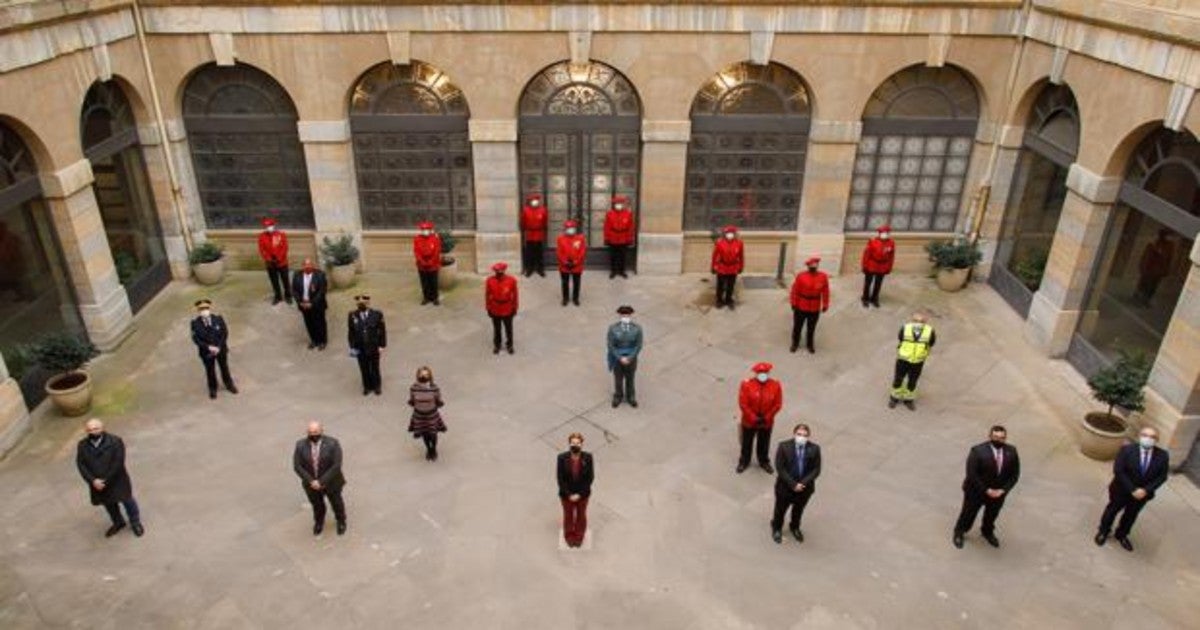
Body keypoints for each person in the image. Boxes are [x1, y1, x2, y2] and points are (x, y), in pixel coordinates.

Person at [1095, 426, 1169, 551]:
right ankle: (1103, 531)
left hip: (1143, 495)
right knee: (1112, 510)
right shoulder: (1126, 450)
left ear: (1157, 440)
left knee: (1131, 515)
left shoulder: (1163, 455)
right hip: (1121, 490)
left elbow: (1162, 477)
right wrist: (1133, 489)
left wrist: (1145, 490)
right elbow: (1118, 471)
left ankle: (1122, 535)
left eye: (1152, 437)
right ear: (1140, 436)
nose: (1148, 438)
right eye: (1145, 435)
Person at [953, 425, 1020, 549]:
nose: (998, 440)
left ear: (1005, 438)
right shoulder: (977, 451)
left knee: (991, 515)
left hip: (998, 494)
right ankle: (959, 532)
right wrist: (986, 490)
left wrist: (1003, 490)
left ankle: (987, 532)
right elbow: (971, 474)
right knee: (968, 514)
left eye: (1001, 438)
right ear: (990, 436)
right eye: (995, 437)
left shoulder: (1012, 451)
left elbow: (1015, 475)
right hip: (976, 492)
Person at [76, 418, 143, 538]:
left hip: (117, 480)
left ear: (102, 428)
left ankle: (135, 522)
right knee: (108, 503)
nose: (93, 432)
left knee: (127, 500)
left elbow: (118, 462)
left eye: (96, 428)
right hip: (97, 482)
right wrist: (93, 481)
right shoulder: (82, 445)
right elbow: (81, 465)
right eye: (89, 429)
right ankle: (118, 522)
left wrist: (105, 480)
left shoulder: (115, 441)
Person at [292, 421, 347, 536]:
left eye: (316, 432)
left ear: (322, 431)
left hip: (332, 483)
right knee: (317, 506)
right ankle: (319, 522)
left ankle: (341, 521)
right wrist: (311, 481)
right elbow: (297, 466)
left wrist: (321, 481)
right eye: (311, 432)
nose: (313, 435)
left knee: (337, 503)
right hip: (311, 485)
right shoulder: (300, 445)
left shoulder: (333, 443)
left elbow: (336, 465)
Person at [771, 423, 821, 544]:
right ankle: (777, 528)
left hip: (804, 489)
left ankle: (795, 527)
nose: (801, 437)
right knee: (780, 510)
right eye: (799, 434)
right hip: (785, 487)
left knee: (798, 510)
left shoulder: (814, 449)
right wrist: (793, 484)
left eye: (804, 435)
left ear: (808, 436)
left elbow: (816, 469)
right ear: (794, 434)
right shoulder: (784, 447)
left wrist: (802, 483)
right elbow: (780, 468)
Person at [737, 362, 782, 474]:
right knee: (747, 443)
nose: (762, 375)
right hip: (749, 421)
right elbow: (743, 404)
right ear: (756, 373)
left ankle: (764, 461)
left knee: (764, 442)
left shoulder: (775, 385)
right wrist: (753, 417)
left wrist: (767, 417)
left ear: (768, 373)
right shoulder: (746, 385)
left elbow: (777, 404)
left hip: (766, 422)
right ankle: (744, 461)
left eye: (765, 372)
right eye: (760, 373)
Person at [190, 298, 238, 399]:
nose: (204, 311)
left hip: (220, 349)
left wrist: (219, 346)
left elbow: (224, 334)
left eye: (206, 308)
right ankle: (213, 388)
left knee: (224, 367)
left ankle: (229, 384)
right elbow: (196, 339)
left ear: (210, 308)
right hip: (206, 352)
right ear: (198, 311)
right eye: (202, 309)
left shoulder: (218, 319)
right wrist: (208, 347)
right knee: (210, 370)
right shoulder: (195, 323)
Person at [889, 312, 936, 410]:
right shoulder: (905, 328)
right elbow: (901, 338)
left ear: (925, 322)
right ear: (912, 321)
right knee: (898, 379)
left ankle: (908, 400)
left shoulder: (930, 331)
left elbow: (931, 342)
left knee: (913, 381)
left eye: (921, 321)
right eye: (916, 321)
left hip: (918, 361)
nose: (918, 323)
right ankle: (894, 398)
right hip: (903, 359)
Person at [556, 432, 594, 548]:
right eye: (573, 443)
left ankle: (578, 538)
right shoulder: (561, 458)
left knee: (581, 515)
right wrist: (569, 494)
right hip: (566, 495)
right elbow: (560, 478)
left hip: (583, 495)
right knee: (568, 516)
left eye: (578, 443)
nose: (575, 445)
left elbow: (590, 477)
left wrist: (580, 494)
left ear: (582, 444)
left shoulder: (588, 457)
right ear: (569, 443)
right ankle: (569, 537)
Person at [789, 255, 830, 353]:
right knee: (797, 327)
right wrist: (793, 302)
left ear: (817, 266)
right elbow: (795, 290)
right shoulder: (801, 276)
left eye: (815, 265)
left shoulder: (823, 277)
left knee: (811, 328)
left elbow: (825, 291)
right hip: (801, 306)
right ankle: (795, 343)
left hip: (814, 307)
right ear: (808, 267)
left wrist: (825, 304)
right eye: (811, 266)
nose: (813, 267)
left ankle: (810, 344)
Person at [347, 294, 386, 395]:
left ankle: (377, 386)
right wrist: (352, 347)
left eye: (363, 303)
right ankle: (367, 386)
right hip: (360, 347)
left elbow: (382, 331)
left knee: (375, 367)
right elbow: (351, 332)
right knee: (363, 368)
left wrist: (382, 346)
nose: (361, 305)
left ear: (368, 303)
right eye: (359, 303)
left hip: (373, 346)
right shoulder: (352, 315)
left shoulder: (377, 314)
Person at [607, 305, 643, 408]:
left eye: (627, 315)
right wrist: (619, 357)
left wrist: (630, 357)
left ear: (631, 315)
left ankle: (631, 396)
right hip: (618, 358)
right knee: (618, 379)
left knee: (630, 378)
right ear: (620, 315)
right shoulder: (613, 328)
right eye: (623, 315)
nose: (625, 316)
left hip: (631, 358)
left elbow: (638, 345)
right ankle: (618, 396)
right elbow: (610, 345)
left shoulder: (637, 329)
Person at [407, 366, 447, 461]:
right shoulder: (413, 388)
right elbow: (412, 401)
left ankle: (433, 449)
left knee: (433, 434)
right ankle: (428, 449)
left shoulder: (434, 388)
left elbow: (438, 401)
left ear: (429, 375)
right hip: (419, 415)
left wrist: (435, 405)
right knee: (424, 433)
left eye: (425, 374)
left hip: (431, 415)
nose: (423, 376)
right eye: (421, 374)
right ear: (418, 375)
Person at [291, 258, 328, 350]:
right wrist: (300, 302)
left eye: (309, 265)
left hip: (317, 304)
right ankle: (314, 340)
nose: (307, 267)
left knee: (320, 323)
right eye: (305, 265)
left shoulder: (320, 275)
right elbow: (294, 290)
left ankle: (322, 341)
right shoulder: (297, 275)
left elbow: (322, 291)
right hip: (303, 304)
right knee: (309, 323)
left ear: (313, 266)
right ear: (302, 266)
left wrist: (312, 303)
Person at [1135, 229, 1175, 307]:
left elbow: (1168, 259)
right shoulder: (1154, 243)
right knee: (1145, 282)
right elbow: (1147, 256)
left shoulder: (1169, 246)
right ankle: (1140, 295)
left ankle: (1146, 298)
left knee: (1153, 286)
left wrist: (1166, 270)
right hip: (1150, 268)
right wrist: (1143, 266)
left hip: (1158, 270)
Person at [485, 261, 519, 354]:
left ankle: (510, 345)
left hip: (507, 308)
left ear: (504, 271)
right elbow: (487, 295)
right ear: (495, 272)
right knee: (497, 329)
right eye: (497, 272)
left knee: (509, 329)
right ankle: (497, 345)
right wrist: (488, 308)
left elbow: (515, 295)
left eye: (500, 272)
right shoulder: (489, 281)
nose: (499, 274)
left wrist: (515, 307)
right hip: (495, 308)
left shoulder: (512, 280)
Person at [257, 217, 292, 305]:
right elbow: (262, 249)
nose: (268, 227)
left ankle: (288, 296)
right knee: (274, 281)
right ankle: (278, 296)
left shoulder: (281, 235)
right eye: (266, 226)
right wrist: (269, 259)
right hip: (270, 264)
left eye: (270, 225)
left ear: (274, 225)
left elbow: (285, 248)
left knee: (285, 280)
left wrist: (279, 258)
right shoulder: (262, 237)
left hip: (282, 262)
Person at [861, 224, 895, 308]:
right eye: (883, 233)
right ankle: (865, 298)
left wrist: (889, 267)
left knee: (878, 284)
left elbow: (891, 256)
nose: (885, 234)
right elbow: (866, 255)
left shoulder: (891, 243)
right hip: (872, 264)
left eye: (886, 233)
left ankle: (874, 298)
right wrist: (864, 266)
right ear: (879, 233)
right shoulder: (873, 242)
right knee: (868, 283)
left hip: (883, 266)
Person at [711, 225, 744, 309]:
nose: (730, 235)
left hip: (733, 267)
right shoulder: (719, 243)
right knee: (720, 285)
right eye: (728, 233)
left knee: (731, 285)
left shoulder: (739, 243)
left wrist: (741, 266)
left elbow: (741, 256)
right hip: (722, 267)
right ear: (725, 234)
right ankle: (719, 300)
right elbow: (715, 256)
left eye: (731, 233)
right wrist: (713, 266)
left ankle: (728, 300)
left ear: (734, 234)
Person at [603, 195, 635, 278]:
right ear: (614, 204)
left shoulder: (628, 214)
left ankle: (622, 271)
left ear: (623, 204)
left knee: (623, 256)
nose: (618, 205)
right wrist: (607, 238)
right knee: (613, 256)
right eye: (617, 204)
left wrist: (630, 238)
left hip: (623, 238)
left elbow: (630, 227)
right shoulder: (610, 214)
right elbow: (607, 227)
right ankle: (613, 271)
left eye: (620, 204)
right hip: (613, 237)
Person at [557, 219, 586, 306]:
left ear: (575, 229)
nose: (571, 230)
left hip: (577, 265)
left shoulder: (580, 238)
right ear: (565, 229)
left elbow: (582, 251)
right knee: (564, 282)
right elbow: (559, 252)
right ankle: (565, 298)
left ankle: (575, 298)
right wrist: (564, 262)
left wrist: (576, 261)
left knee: (576, 282)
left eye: (572, 228)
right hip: (564, 265)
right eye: (569, 228)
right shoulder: (560, 239)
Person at [413, 221, 442, 306]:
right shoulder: (417, 239)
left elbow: (437, 251)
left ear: (430, 230)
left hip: (433, 265)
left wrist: (431, 261)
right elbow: (416, 251)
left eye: (427, 229)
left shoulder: (435, 238)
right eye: (423, 229)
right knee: (424, 282)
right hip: (421, 265)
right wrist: (422, 261)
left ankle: (435, 298)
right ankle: (426, 297)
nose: (425, 231)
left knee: (434, 282)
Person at [520, 193, 549, 277]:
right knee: (530, 252)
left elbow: (545, 221)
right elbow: (523, 222)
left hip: (539, 233)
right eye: (533, 200)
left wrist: (541, 229)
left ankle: (540, 269)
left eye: (536, 200)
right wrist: (527, 229)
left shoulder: (543, 210)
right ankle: (530, 268)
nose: (535, 202)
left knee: (539, 252)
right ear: (530, 201)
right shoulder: (526, 210)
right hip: (529, 234)